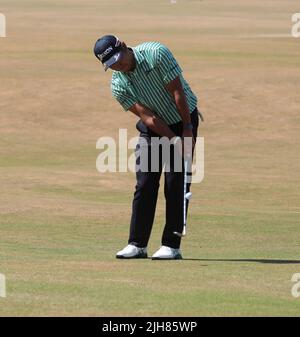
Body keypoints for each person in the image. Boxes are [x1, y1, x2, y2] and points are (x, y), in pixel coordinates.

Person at [94, 35, 203, 260]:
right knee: (145, 183)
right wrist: (173, 141)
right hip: (153, 126)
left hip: (183, 117)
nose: (118, 66)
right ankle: (137, 244)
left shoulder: (156, 53)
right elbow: (149, 117)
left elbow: (178, 92)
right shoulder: (118, 84)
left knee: (175, 183)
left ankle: (171, 246)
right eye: (111, 64)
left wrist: (187, 130)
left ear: (123, 46)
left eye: (118, 59)